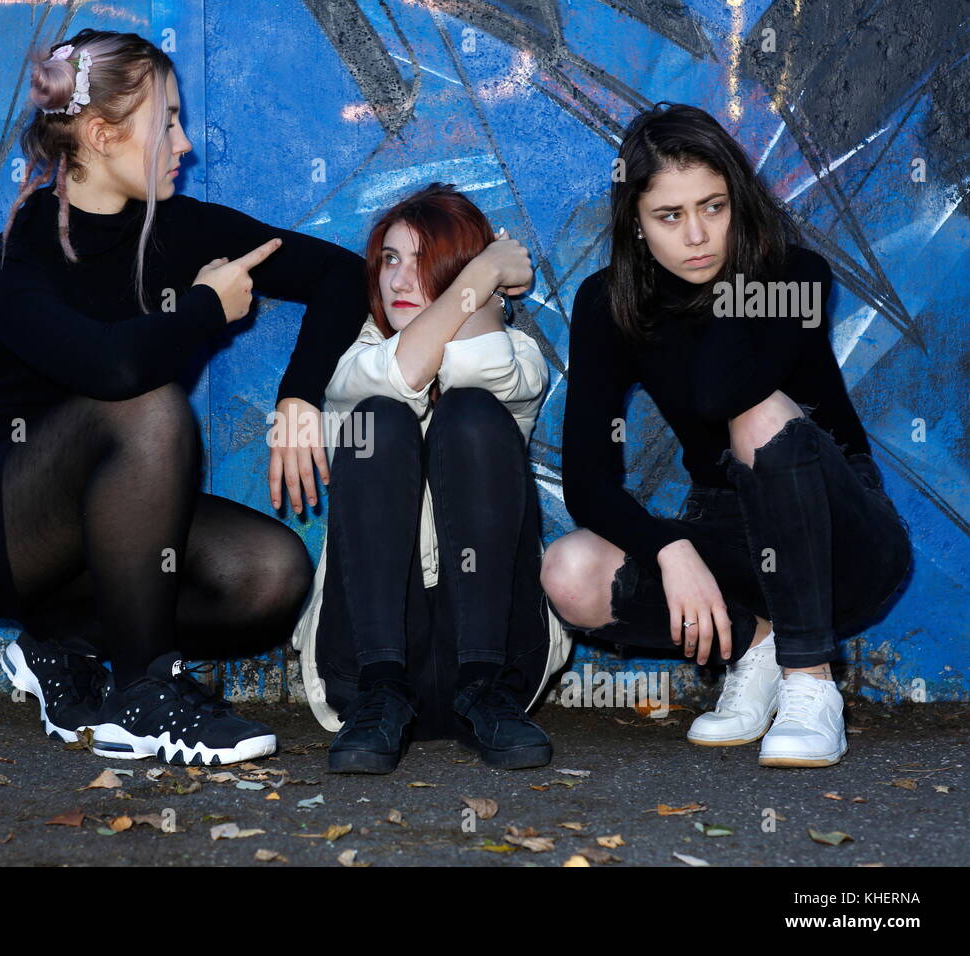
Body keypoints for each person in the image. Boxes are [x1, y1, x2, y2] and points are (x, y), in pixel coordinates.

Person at [0, 29, 369, 767]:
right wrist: (200, 308)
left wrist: (299, 399)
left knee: (270, 574)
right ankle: (144, 693)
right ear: (99, 133)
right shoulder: (13, 259)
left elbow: (341, 276)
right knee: (150, 404)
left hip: (96, 537)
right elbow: (112, 369)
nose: (185, 143)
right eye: (167, 123)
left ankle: (62, 650)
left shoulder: (183, 230)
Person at [541, 102, 913, 768]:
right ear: (634, 219)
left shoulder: (794, 276)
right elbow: (588, 483)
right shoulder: (608, 303)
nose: (696, 237)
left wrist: (736, 273)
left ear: (739, 201)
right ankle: (759, 645)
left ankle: (810, 682)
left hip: (844, 542)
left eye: (714, 207)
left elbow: (722, 392)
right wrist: (670, 545)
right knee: (570, 570)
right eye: (670, 216)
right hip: (729, 535)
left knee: (759, 414)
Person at [291, 183, 572, 773]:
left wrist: (481, 286)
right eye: (390, 259)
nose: (397, 281)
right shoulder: (354, 361)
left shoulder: (517, 353)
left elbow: (470, 364)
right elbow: (402, 373)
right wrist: (486, 271)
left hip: (500, 656)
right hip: (365, 666)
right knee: (380, 420)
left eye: (422, 263)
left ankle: (481, 685)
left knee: (470, 411)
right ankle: (383, 687)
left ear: (458, 269)